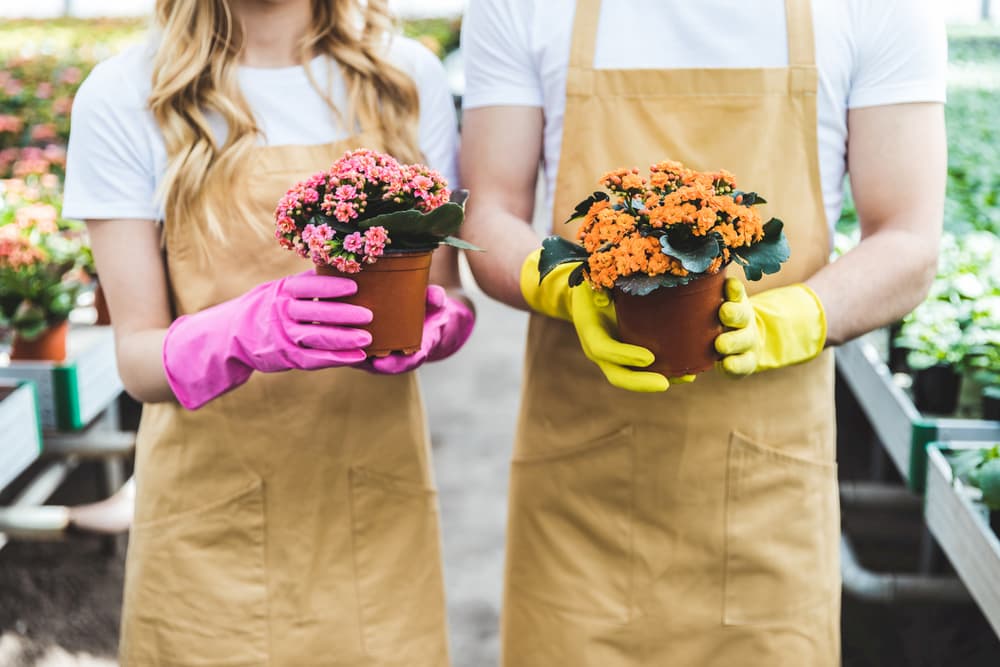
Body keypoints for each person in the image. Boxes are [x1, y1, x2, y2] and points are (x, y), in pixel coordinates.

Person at [459, 0, 946, 664]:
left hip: (765, 499)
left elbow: (909, 239)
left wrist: (790, 321)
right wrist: (565, 286)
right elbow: (489, 210)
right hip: (582, 501)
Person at [62, 0, 473, 664]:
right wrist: (244, 330)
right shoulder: (125, 95)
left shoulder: (402, 76)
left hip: (374, 507)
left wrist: (441, 325)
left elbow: (445, 290)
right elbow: (137, 359)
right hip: (212, 524)